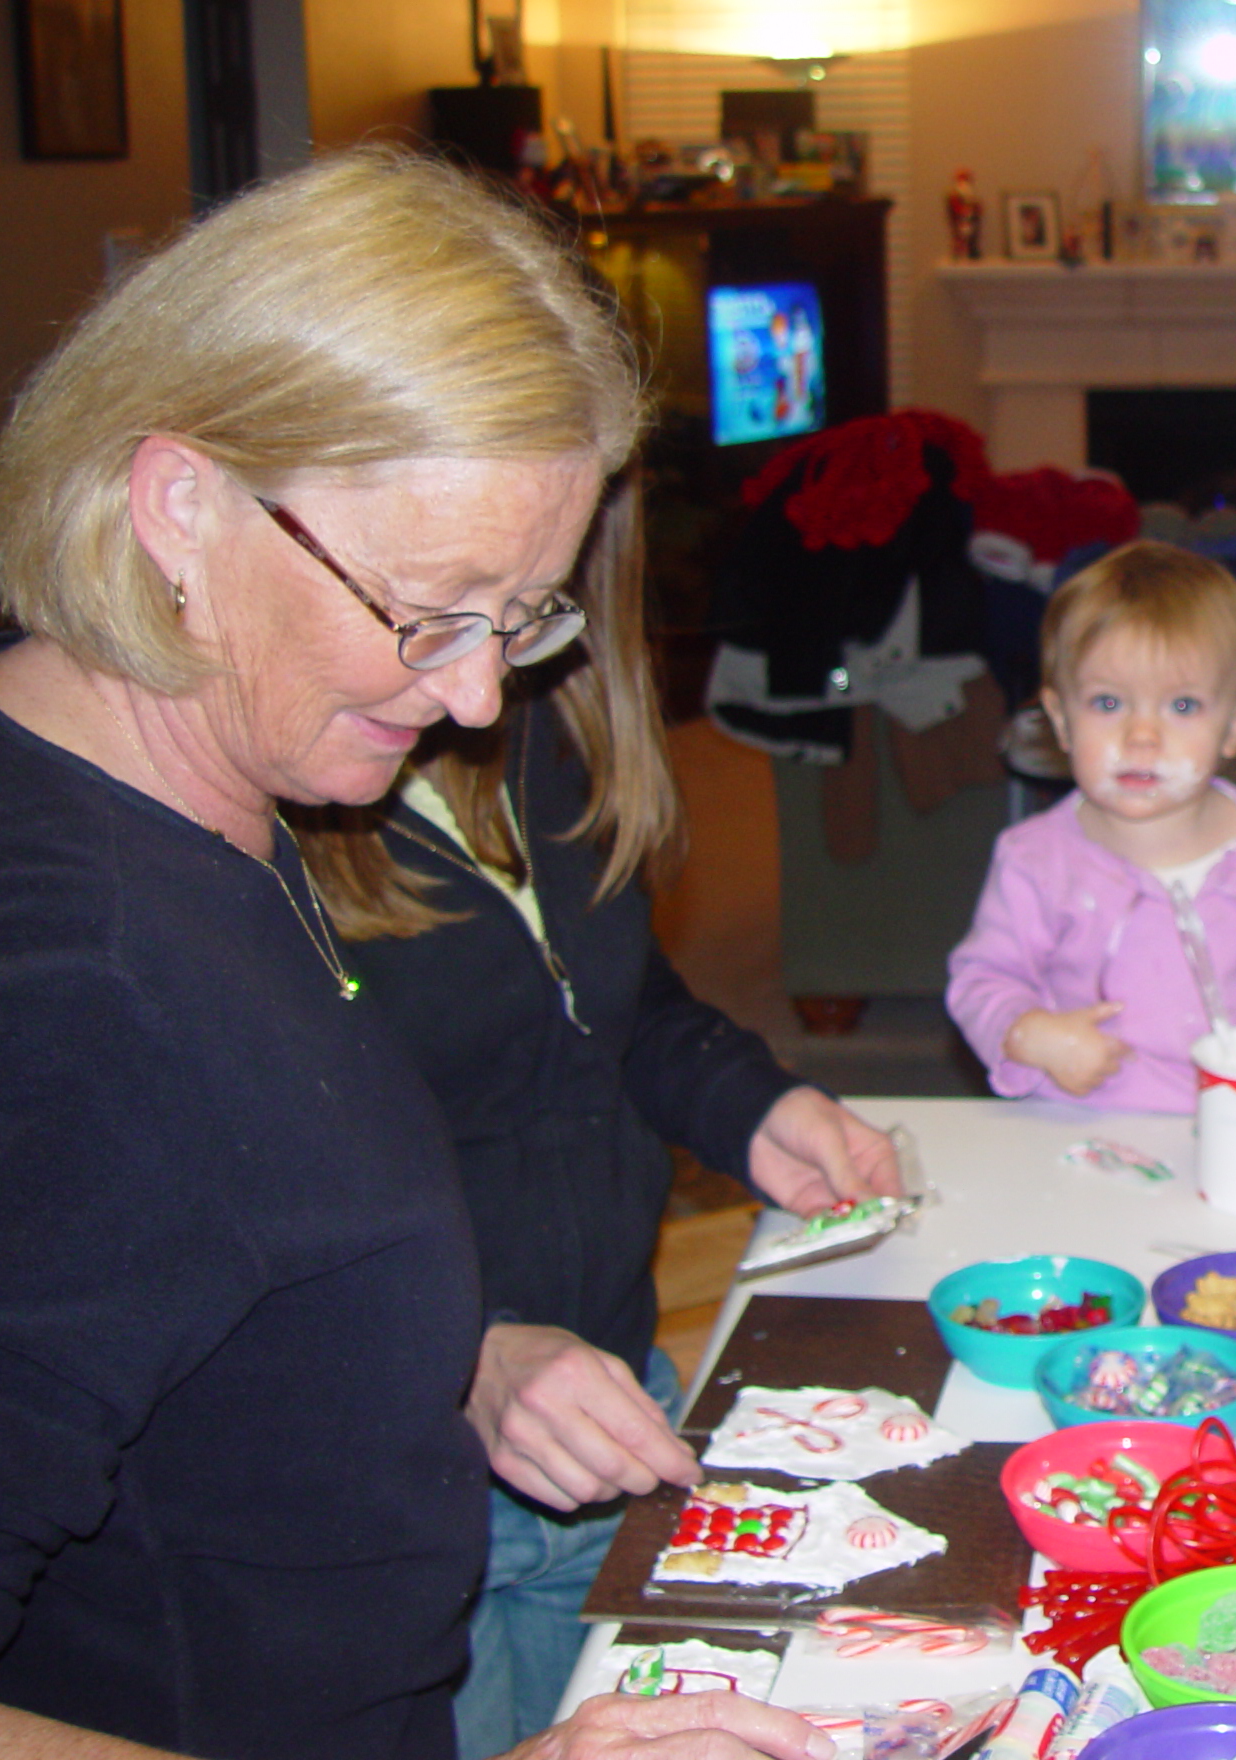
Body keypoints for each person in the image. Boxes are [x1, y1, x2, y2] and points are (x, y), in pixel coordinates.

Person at [0, 148, 821, 1760]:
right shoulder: (68, 997)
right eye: (433, 611)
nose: (483, 697)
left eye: (525, 615)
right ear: (179, 503)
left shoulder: (202, 795)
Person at [297, 470, 902, 1758]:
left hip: (622, 1398)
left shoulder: (539, 719)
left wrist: (753, 1105)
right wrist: (467, 1350)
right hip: (402, 1492)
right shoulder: (243, 839)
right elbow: (250, 1210)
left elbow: (616, 1011)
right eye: (464, 607)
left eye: (535, 606)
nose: (487, 675)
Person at [947, 542, 1236, 1110]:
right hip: (1078, 1130)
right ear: (1062, 720)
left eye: (1183, 706)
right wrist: (1030, 1034)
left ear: (1235, 726)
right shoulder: (1034, 858)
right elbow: (982, 978)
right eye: (1108, 703)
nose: (1142, 736)